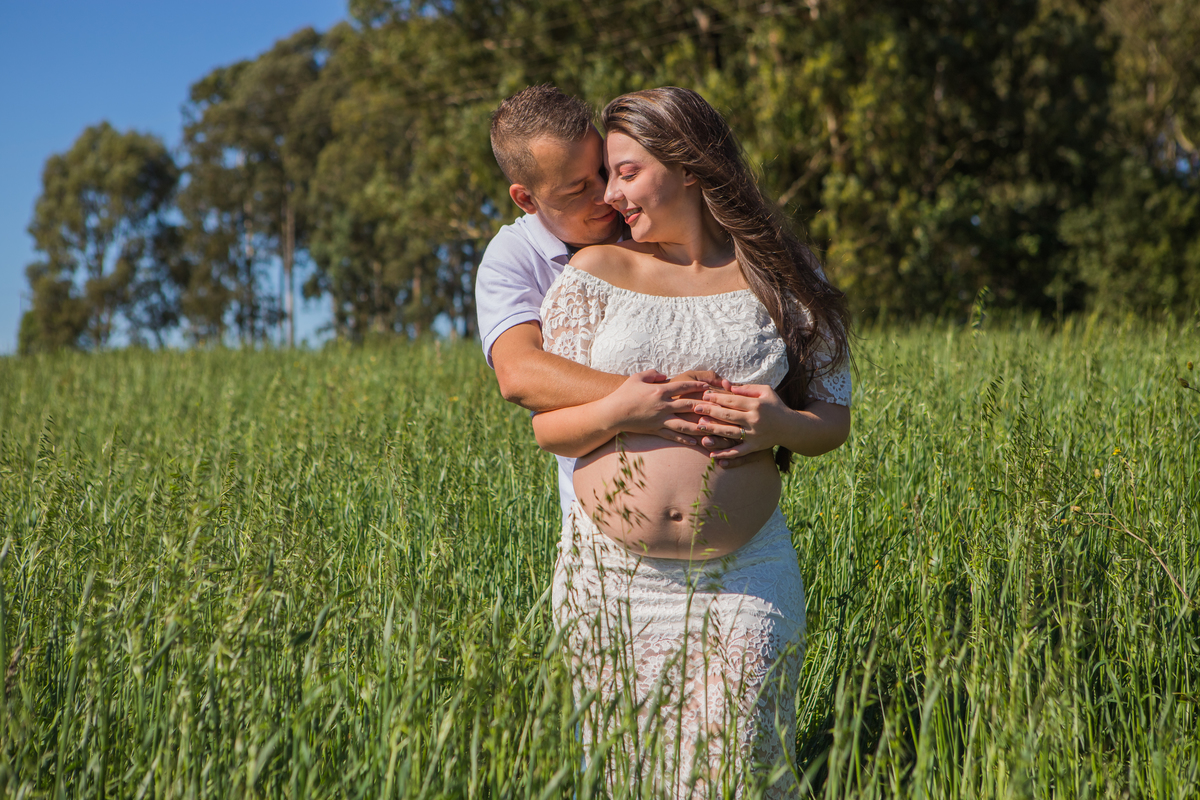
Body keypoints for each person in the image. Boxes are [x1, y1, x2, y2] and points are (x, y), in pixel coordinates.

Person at [532, 87, 852, 798]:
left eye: (627, 172)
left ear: (689, 166)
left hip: (747, 574)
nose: (611, 195)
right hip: (611, 580)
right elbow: (548, 428)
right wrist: (624, 407)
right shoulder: (596, 274)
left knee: (735, 769)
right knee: (630, 776)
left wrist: (779, 426)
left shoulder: (782, 275)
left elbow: (833, 419)